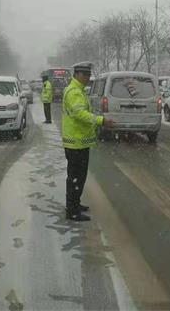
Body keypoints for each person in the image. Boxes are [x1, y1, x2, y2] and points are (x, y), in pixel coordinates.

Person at [61, 61, 114, 221]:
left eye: (88, 74)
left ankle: (75, 204)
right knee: (76, 177)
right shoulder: (75, 92)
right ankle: (72, 211)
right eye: (84, 74)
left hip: (79, 141)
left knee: (78, 176)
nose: (87, 77)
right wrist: (101, 121)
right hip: (75, 142)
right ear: (76, 74)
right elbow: (80, 114)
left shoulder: (78, 90)